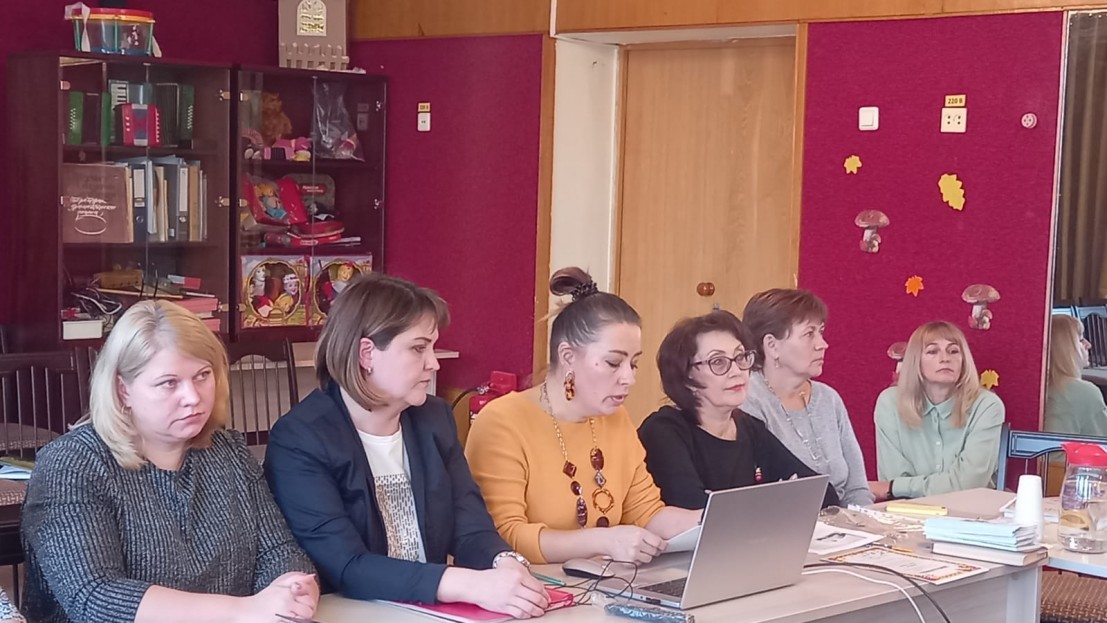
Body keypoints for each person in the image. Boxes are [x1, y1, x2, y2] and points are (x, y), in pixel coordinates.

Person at [264, 273, 549, 619]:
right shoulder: (299, 439)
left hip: (428, 611)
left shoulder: (435, 418)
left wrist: (504, 562)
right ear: (366, 354)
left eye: (432, 347)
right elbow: (347, 566)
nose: (434, 363)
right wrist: (469, 584)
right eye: (418, 348)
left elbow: (470, 524)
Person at [22, 300, 318, 623]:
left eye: (202, 375)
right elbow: (96, 597)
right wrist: (244, 611)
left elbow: (281, 551)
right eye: (169, 383)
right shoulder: (71, 465)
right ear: (123, 390)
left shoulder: (230, 452)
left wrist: (292, 591)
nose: (193, 397)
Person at [465, 267, 701, 565]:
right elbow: (503, 536)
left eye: (633, 364)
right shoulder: (502, 421)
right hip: (527, 585)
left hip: (599, 582)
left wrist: (711, 521)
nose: (629, 378)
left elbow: (647, 513)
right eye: (613, 363)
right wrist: (604, 541)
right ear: (567, 357)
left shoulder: (615, 418)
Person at [638, 310, 840, 510]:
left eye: (741, 357)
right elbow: (697, 510)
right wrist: (776, 500)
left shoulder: (751, 428)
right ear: (687, 377)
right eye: (718, 362)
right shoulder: (663, 431)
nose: (736, 371)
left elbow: (822, 493)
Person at [740, 289, 874, 506]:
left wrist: (860, 522)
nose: (822, 344)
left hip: (843, 522)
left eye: (821, 332)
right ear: (772, 345)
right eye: (809, 334)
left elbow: (857, 488)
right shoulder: (748, 401)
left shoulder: (828, 398)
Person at [873, 321, 1006, 499]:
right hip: (907, 510)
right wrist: (895, 487)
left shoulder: (987, 405)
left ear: (964, 360)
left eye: (953, 351)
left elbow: (969, 485)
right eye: (932, 351)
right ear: (915, 360)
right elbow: (893, 478)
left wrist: (896, 487)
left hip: (970, 509)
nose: (945, 358)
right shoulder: (890, 402)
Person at [1045, 314, 1107, 437]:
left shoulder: (1035, 389)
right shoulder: (1085, 392)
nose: (1089, 345)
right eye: (1081, 339)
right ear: (1065, 348)